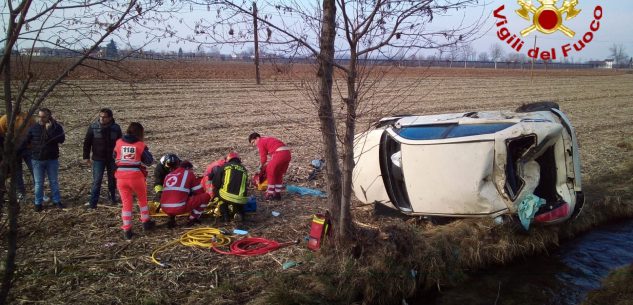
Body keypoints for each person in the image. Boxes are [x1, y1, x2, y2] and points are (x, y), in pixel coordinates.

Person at [114, 122, 154, 240]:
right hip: (136, 176)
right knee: (142, 199)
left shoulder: (119, 143)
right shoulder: (140, 145)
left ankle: (127, 230)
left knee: (126, 203)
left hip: (120, 176)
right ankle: (146, 222)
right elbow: (149, 161)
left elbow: (114, 156)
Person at [25, 108, 65, 211]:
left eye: (44, 117)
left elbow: (61, 140)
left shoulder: (56, 127)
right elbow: (26, 141)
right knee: (38, 183)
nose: (41, 119)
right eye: (40, 116)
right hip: (37, 159)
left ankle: (57, 201)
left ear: (49, 116)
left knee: (53, 181)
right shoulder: (33, 128)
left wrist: (49, 130)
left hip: (52, 159)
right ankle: (38, 203)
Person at [83, 108, 122, 209]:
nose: (102, 119)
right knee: (97, 181)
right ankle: (93, 202)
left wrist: (120, 157)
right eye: (100, 116)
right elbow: (87, 143)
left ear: (110, 118)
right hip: (98, 158)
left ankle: (112, 198)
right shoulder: (93, 127)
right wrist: (86, 157)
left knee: (112, 179)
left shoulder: (116, 128)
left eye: (104, 117)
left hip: (112, 158)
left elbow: (120, 143)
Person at [0, 103, 36, 200]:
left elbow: (35, 131)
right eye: (13, 106)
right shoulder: (5, 118)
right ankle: (21, 193)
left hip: (28, 148)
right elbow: (1, 134)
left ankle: (39, 192)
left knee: (34, 170)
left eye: (18, 106)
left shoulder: (27, 117)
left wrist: (32, 144)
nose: (16, 108)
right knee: (17, 172)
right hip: (14, 150)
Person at [160, 160, 211, 228]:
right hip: (179, 207)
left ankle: (171, 218)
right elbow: (199, 192)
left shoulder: (169, 175)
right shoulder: (189, 174)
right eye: (191, 169)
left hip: (164, 207)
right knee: (206, 196)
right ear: (188, 168)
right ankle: (193, 218)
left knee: (174, 197)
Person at [248, 132, 291, 200]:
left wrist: (261, 166)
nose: (254, 145)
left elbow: (263, 158)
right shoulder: (268, 139)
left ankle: (269, 194)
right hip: (287, 154)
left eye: (253, 142)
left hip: (279, 154)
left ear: (257, 138)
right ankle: (277, 193)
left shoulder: (260, 142)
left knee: (270, 171)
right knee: (278, 174)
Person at [210, 152, 248, 222]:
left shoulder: (224, 167)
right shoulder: (244, 169)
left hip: (226, 197)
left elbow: (216, 183)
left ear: (228, 159)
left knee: (218, 192)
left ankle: (225, 216)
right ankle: (239, 213)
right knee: (238, 197)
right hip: (241, 199)